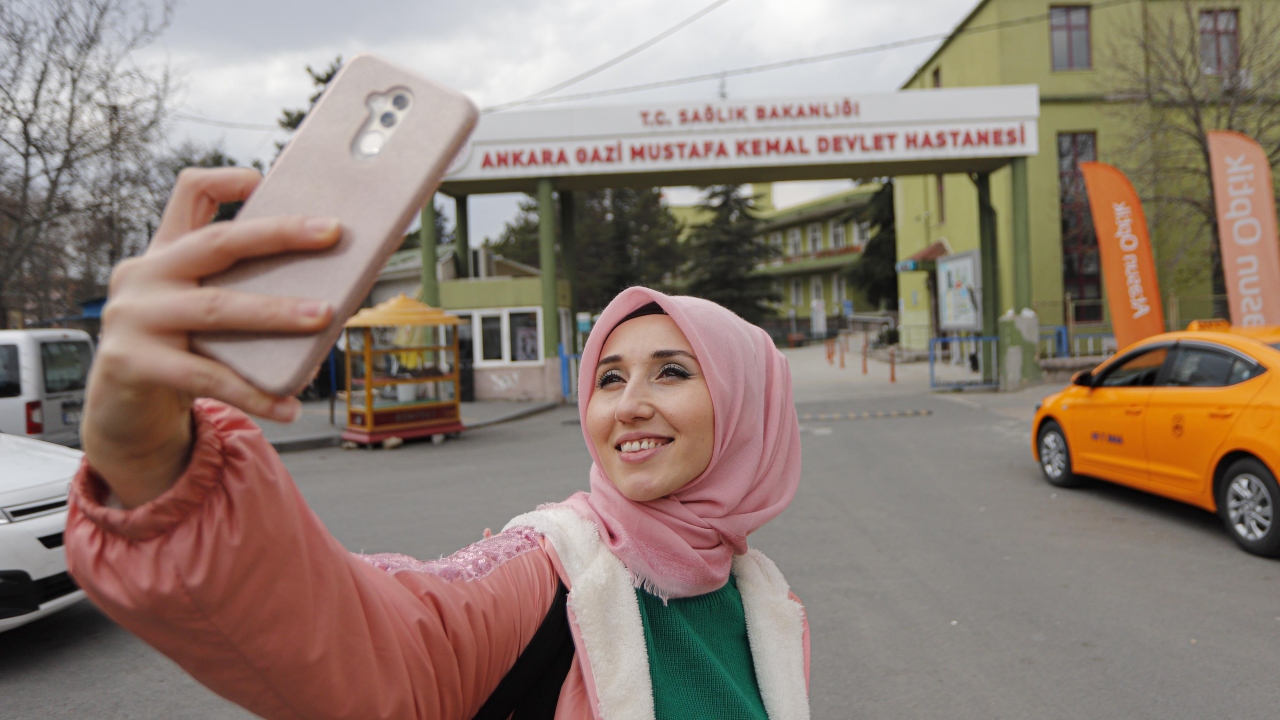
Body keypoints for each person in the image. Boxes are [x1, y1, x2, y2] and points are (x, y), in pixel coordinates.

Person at [66, 167, 809, 720]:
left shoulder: (761, 598)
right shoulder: (554, 571)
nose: (629, 406)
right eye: (607, 379)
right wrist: (150, 456)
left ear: (751, 410)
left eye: (673, 372)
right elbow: (374, 639)